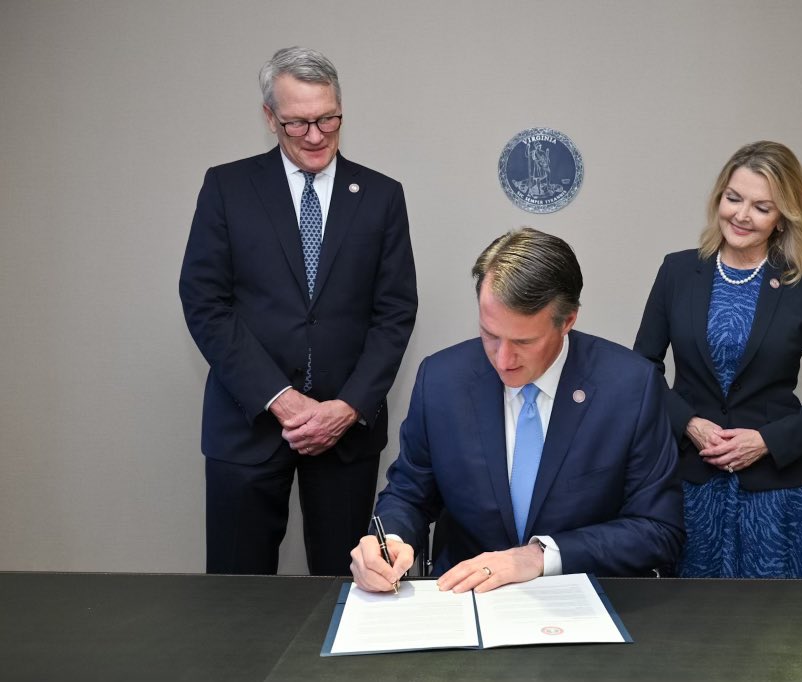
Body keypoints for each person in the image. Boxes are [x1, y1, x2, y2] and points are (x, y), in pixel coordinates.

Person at [179, 46, 417, 575]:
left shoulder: (381, 196)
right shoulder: (228, 188)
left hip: (345, 433)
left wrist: (348, 407)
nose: (315, 136)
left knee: (348, 586)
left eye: (328, 119)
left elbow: (395, 312)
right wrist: (280, 399)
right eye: (298, 123)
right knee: (238, 596)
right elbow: (205, 302)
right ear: (270, 118)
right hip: (247, 424)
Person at [350, 227, 683, 593]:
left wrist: (540, 556)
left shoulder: (629, 387)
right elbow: (409, 493)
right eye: (490, 334)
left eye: (524, 341)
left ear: (568, 321)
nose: (503, 359)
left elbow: (658, 529)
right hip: (464, 597)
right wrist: (390, 539)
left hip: (577, 599)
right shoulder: (442, 380)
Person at [633, 141, 802, 579]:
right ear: (718, 197)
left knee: (780, 618)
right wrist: (689, 424)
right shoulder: (677, 272)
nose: (741, 215)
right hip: (693, 486)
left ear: (783, 217)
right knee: (692, 616)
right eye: (733, 198)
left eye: (761, 207)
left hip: (776, 496)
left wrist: (766, 441)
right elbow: (642, 370)